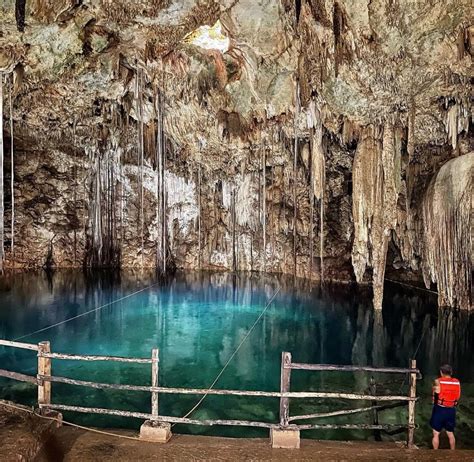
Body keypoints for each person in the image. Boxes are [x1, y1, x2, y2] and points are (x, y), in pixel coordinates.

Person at [430, 364, 461, 450]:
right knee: (450, 433)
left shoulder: (437, 381)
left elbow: (434, 397)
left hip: (440, 409)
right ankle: (452, 452)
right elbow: (458, 396)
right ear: (451, 372)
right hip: (451, 410)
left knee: (436, 434)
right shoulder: (457, 382)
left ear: (441, 372)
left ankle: (435, 453)